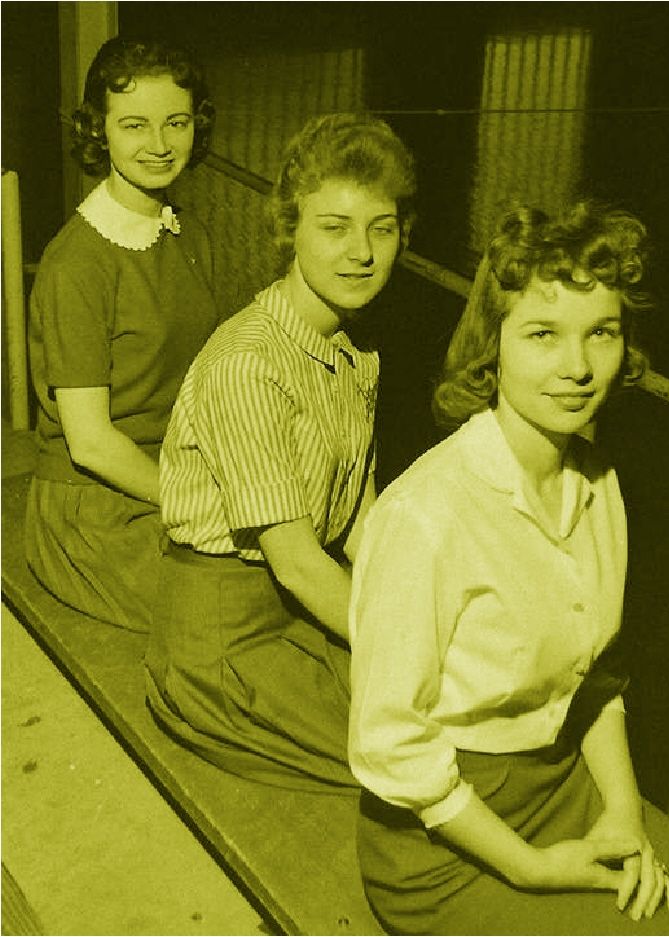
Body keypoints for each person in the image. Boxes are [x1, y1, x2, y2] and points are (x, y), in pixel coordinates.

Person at [348, 203, 669, 935]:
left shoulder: (598, 483)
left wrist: (624, 814)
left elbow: (595, 675)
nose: (576, 367)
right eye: (542, 334)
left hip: (560, 776)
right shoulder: (425, 516)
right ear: (492, 346)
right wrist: (528, 867)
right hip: (443, 835)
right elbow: (389, 742)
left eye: (599, 332)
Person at [144, 113, 416, 792]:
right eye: (333, 227)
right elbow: (296, 564)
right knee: (421, 760)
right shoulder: (248, 364)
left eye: (380, 228)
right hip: (223, 653)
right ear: (288, 230)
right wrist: (408, 643)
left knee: (462, 715)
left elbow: (356, 515)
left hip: (298, 614)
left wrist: (428, 598)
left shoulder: (354, 353)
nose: (361, 252)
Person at [25, 37, 221, 633]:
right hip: (95, 511)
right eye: (134, 125)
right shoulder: (78, 264)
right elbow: (89, 443)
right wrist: (201, 500)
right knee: (232, 615)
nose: (159, 146)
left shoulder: (187, 233)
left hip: (169, 476)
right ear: (98, 131)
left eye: (176, 123)